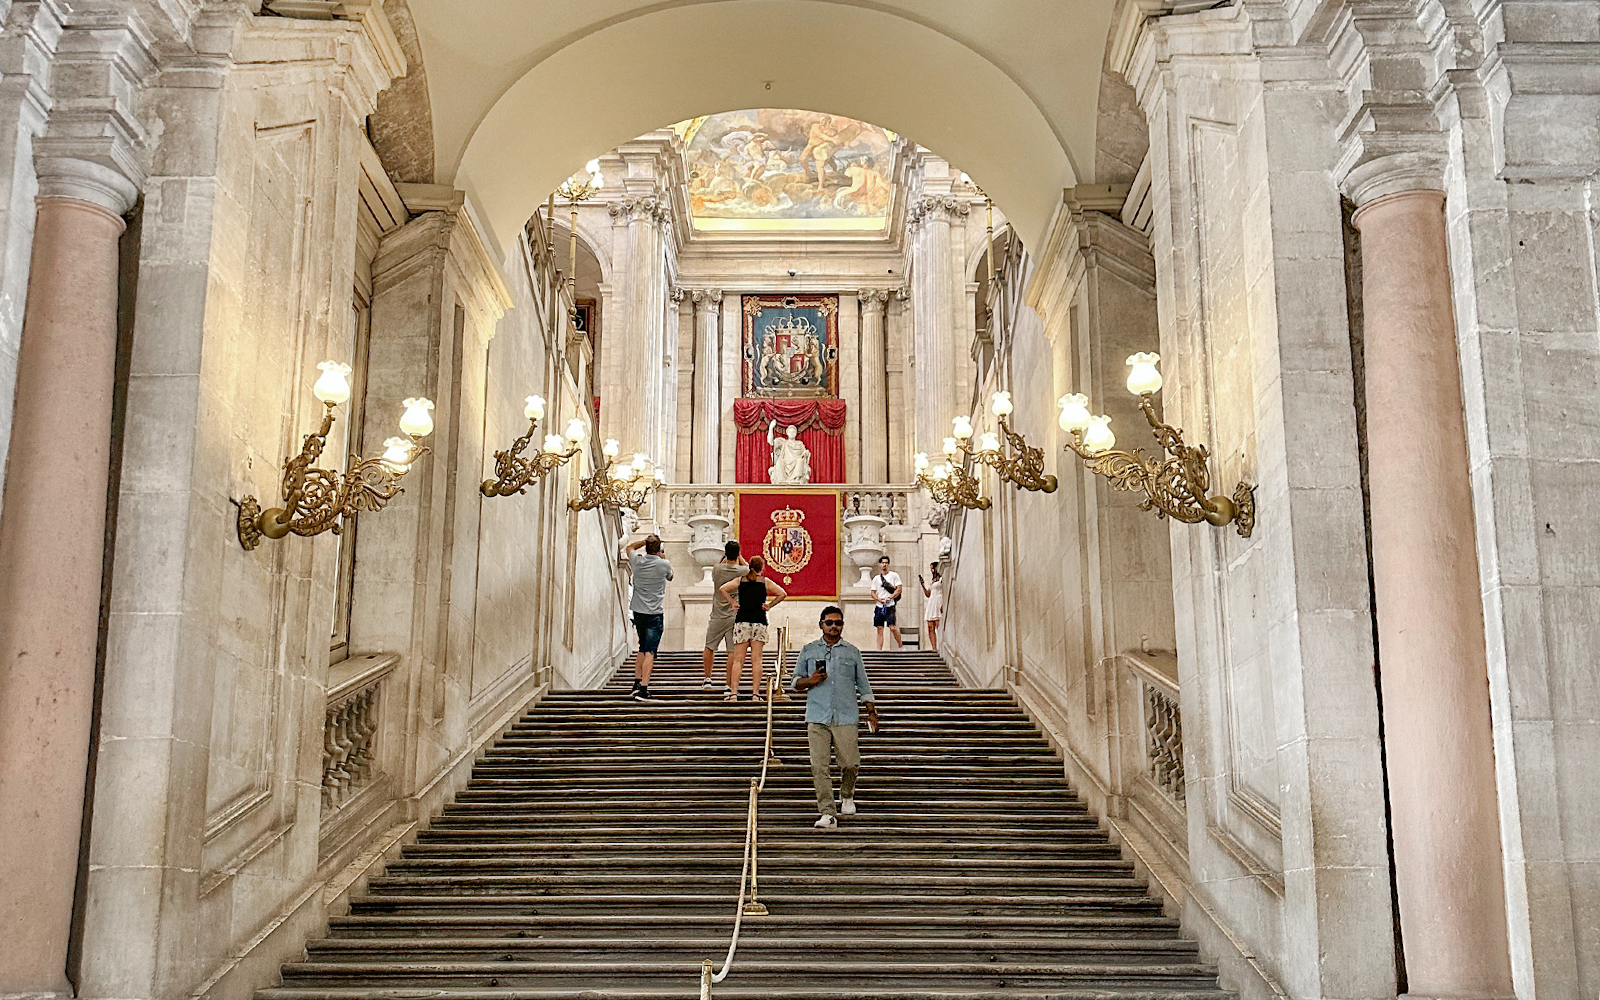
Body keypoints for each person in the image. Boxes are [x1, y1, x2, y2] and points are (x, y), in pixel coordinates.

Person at [791, 605, 877, 829]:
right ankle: (827, 812)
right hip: (817, 716)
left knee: (850, 763)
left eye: (838, 623)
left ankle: (847, 794)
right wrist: (810, 681)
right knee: (819, 766)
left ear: (842, 625)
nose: (834, 627)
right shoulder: (808, 650)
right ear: (821, 625)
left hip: (846, 715)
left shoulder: (852, 652)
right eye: (829, 623)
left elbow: (864, 684)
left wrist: (871, 712)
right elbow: (795, 682)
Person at [718, 555, 787, 701]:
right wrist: (769, 605)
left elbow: (722, 589)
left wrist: (732, 602)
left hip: (742, 621)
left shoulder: (740, 581)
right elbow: (782, 593)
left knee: (738, 660)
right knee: (757, 660)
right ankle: (755, 694)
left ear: (749, 566)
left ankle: (734, 693)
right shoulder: (765, 582)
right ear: (761, 568)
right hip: (759, 622)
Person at [624, 534, 673, 702]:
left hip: (639, 611)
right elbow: (670, 576)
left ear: (646, 547)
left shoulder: (637, 562)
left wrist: (643, 542)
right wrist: (662, 557)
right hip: (654, 613)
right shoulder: (664, 564)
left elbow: (629, 547)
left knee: (642, 647)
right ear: (659, 549)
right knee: (650, 651)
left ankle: (636, 683)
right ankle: (644, 687)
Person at [702, 541, 747, 689]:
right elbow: (748, 568)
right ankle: (728, 683)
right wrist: (739, 557)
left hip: (717, 614)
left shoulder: (717, 569)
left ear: (725, 553)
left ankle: (707, 678)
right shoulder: (742, 571)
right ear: (738, 553)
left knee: (709, 646)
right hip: (734, 615)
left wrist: (726, 556)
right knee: (732, 651)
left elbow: (721, 563)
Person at [870, 555, 903, 650]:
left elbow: (899, 589)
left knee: (892, 627)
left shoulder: (894, 575)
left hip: (890, 605)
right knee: (880, 629)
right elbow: (872, 592)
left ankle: (900, 645)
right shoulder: (876, 578)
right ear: (879, 565)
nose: (884, 565)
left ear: (888, 564)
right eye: (882, 563)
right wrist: (879, 599)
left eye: (886, 563)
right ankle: (879, 650)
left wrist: (891, 597)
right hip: (879, 606)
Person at [919, 562, 944, 651]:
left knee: (938, 624)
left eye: (932, 568)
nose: (931, 570)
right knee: (930, 626)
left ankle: (941, 646)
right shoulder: (932, 581)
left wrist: (943, 603)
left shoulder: (942, 578)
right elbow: (928, 594)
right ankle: (934, 648)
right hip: (931, 601)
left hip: (938, 600)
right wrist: (923, 585)